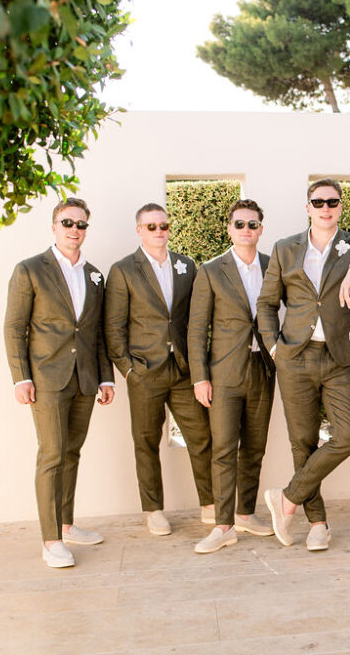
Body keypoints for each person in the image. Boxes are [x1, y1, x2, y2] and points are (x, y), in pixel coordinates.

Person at [257, 179, 350, 551]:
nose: (326, 208)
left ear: (340, 206)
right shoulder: (285, 248)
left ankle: (287, 498)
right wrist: (274, 347)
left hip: (339, 357)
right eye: (318, 202)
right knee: (302, 442)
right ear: (308, 208)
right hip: (294, 357)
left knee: (348, 436)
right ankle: (318, 524)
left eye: (332, 201)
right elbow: (267, 303)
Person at [3, 197, 115, 568]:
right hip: (46, 377)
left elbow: (96, 331)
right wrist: (21, 377)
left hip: (85, 378)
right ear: (54, 227)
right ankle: (51, 542)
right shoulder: (30, 269)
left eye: (81, 224)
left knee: (71, 452)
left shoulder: (94, 274)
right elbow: (14, 327)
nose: (74, 230)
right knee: (52, 454)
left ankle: (66, 525)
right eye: (67, 223)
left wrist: (105, 377)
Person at [105, 203, 214, 536]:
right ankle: (153, 510)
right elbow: (113, 327)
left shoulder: (186, 265)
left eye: (163, 226)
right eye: (151, 226)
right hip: (144, 371)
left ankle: (210, 503)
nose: (158, 231)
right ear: (139, 230)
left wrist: (199, 367)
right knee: (146, 442)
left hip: (182, 369)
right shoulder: (123, 270)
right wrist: (128, 370)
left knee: (201, 437)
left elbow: (195, 319)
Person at [189, 200, 276, 554]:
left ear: (260, 229)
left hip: (263, 369)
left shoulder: (272, 266)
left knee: (255, 447)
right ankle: (222, 526)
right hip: (223, 373)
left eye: (252, 224)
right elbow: (197, 329)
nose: (246, 230)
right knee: (224, 449)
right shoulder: (211, 270)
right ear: (229, 229)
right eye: (239, 224)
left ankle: (245, 514)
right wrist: (200, 377)